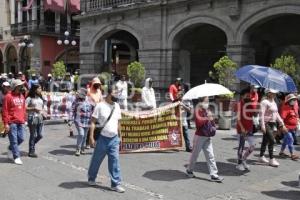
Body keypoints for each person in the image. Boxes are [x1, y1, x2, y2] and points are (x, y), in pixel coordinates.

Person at [87, 85, 125, 193]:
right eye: (115, 93)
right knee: (96, 160)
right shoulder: (100, 106)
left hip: (114, 139)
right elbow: (93, 122)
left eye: (118, 93)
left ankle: (115, 184)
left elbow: (118, 122)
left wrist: (119, 136)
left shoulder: (117, 106)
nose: (117, 95)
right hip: (102, 139)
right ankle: (91, 178)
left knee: (115, 162)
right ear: (108, 93)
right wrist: (91, 137)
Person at [186, 96, 224, 182]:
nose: (207, 103)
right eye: (206, 101)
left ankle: (214, 175)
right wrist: (207, 118)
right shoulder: (197, 110)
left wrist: (213, 120)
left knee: (210, 155)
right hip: (199, 136)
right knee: (195, 155)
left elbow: (210, 121)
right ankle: (189, 170)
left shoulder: (206, 110)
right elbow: (198, 124)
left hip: (207, 136)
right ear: (201, 102)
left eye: (208, 101)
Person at [259, 89, 287, 167]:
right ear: (268, 93)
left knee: (265, 140)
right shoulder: (264, 102)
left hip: (273, 123)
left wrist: (282, 123)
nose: (275, 94)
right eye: (273, 93)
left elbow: (276, 113)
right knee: (272, 140)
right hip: (266, 123)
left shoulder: (274, 101)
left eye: (275, 93)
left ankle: (261, 156)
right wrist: (262, 126)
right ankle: (271, 159)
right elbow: (261, 114)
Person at [2, 79, 26, 165]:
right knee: (14, 140)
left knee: (22, 138)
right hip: (12, 122)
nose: (21, 87)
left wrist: (24, 119)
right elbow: (5, 111)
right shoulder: (8, 96)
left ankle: (10, 148)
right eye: (20, 86)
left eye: (21, 86)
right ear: (15, 87)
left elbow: (23, 108)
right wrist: (6, 124)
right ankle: (16, 157)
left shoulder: (22, 96)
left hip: (21, 121)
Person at [236, 88, 256, 171]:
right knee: (241, 147)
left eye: (249, 95)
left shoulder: (249, 104)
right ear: (242, 96)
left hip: (249, 128)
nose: (248, 96)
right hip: (242, 129)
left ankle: (244, 159)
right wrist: (242, 128)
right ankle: (239, 163)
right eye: (247, 95)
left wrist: (253, 106)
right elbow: (238, 118)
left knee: (252, 146)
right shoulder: (239, 104)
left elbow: (253, 114)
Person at [26, 84, 46, 158]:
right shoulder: (29, 98)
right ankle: (31, 151)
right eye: (39, 88)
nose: (41, 89)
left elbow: (42, 107)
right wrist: (33, 109)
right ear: (35, 89)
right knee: (33, 135)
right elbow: (24, 108)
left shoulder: (40, 97)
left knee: (40, 135)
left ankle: (32, 145)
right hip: (32, 118)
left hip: (40, 117)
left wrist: (44, 113)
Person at [72, 88, 93, 156]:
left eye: (79, 93)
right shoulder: (75, 101)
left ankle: (82, 148)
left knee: (85, 135)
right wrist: (70, 119)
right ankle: (78, 149)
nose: (77, 95)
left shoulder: (89, 100)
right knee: (81, 134)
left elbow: (93, 108)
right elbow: (71, 110)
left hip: (87, 121)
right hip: (78, 121)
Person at [279, 94, 299, 160]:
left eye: (295, 100)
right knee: (290, 139)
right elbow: (282, 118)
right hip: (287, 128)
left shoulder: (293, 108)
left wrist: (297, 124)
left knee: (285, 140)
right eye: (293, 100)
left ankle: (281, 152)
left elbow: (295, 117)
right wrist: (282, 126)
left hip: (293, 128)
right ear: (289, 100)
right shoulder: (285, 108)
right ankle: (292, 154)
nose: (294, 101)